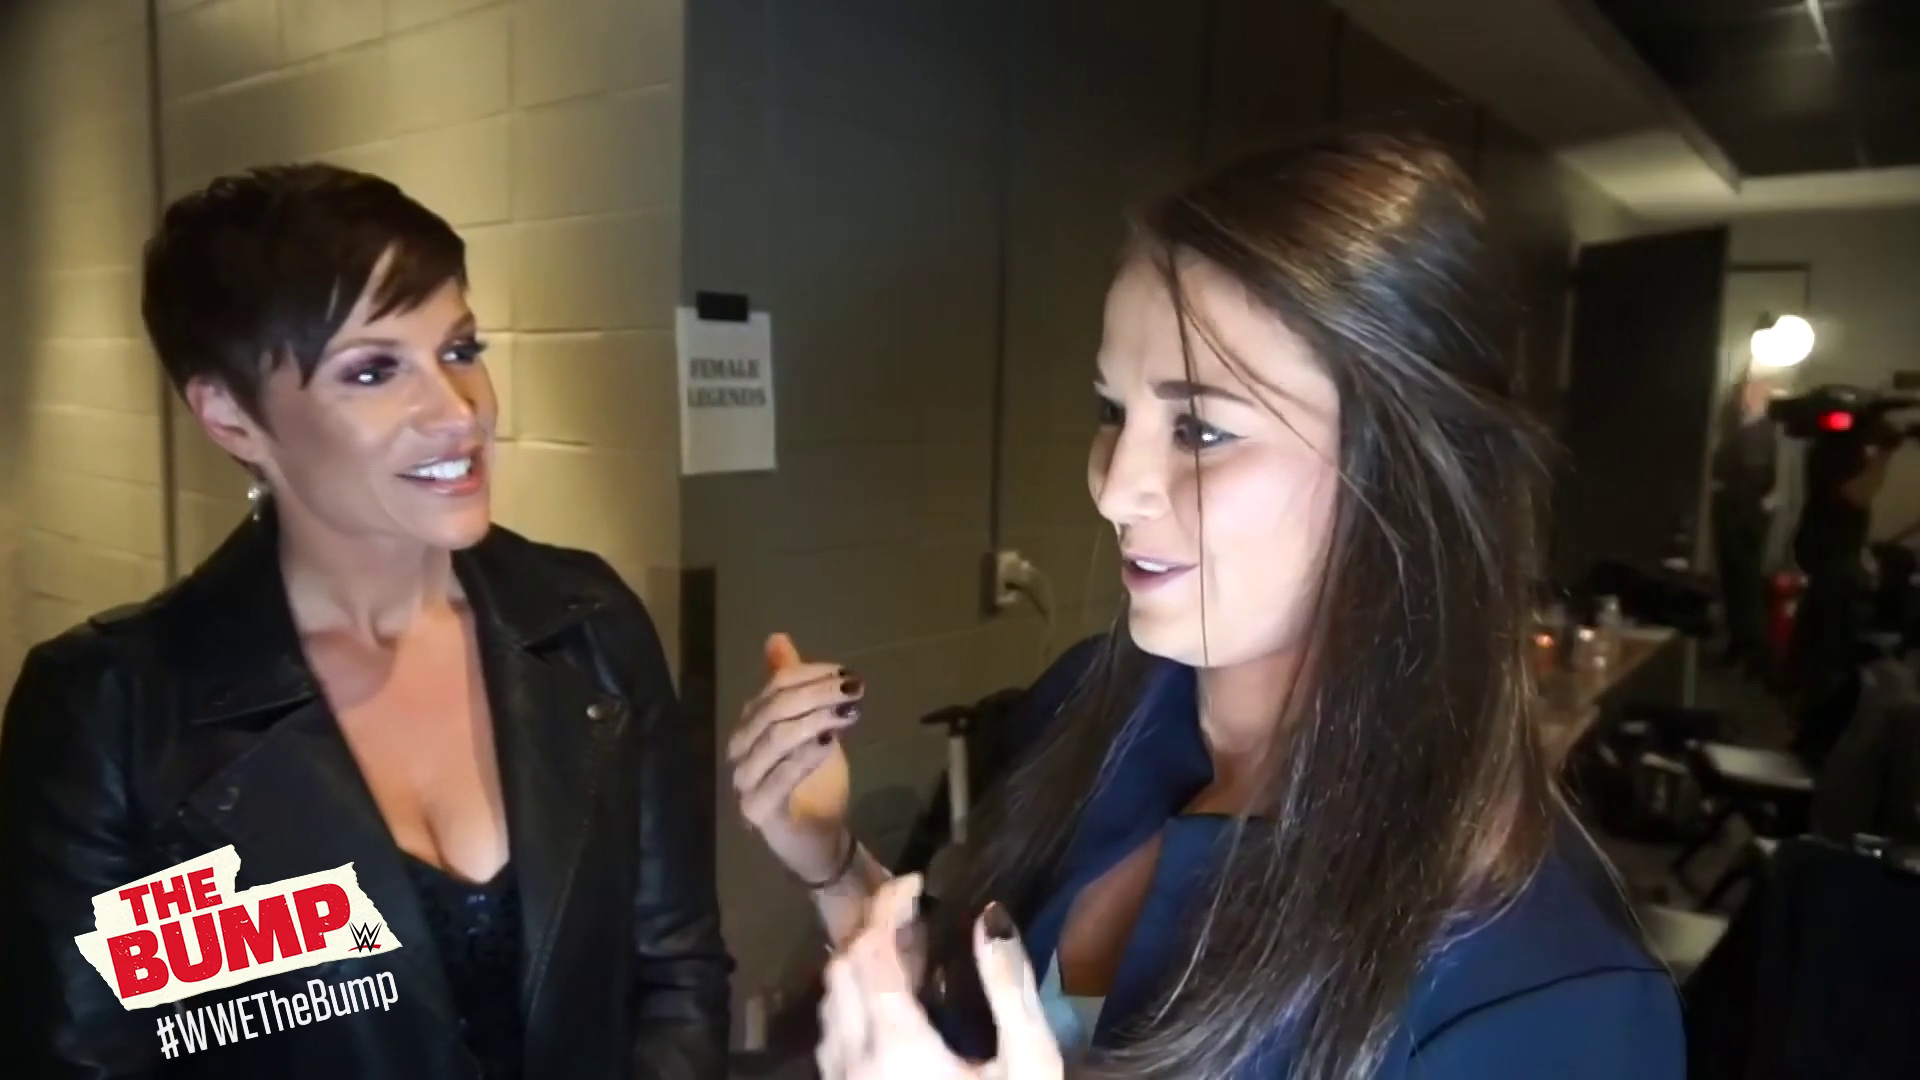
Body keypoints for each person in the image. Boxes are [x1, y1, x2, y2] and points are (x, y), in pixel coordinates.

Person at [728, 133, 1682, 1079]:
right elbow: (1015, 1029)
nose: (1114, 488)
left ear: (1408, 474)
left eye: (1201, 429)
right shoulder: (1101, 717)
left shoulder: (1540, 998)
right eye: (1113, 412)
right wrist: (834, 865)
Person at [0, 164, 732, 1078]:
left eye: (460, 350)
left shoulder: (586, 623)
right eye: (375, 370)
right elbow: (85, 1060)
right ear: (231, 415)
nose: (460, 413)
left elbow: (676, 969)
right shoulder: (112, 717)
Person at [1710, 372, 1779, 678]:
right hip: (1736, 516)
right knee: (1737, 586)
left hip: (1743, 518)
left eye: (1754, 390)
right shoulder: (1746, 430)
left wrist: (1726, 489)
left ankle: (1751, 652)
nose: (1746, 397)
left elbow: (1757, 476)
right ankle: (1743, 647)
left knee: (1745, 587)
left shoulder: (1759, 432)